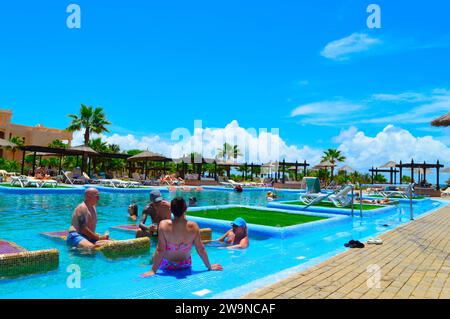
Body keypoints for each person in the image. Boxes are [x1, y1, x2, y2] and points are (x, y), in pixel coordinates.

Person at [141, 197, 223, 276]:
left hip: (167, 265)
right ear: (185, 209)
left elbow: (160, 250)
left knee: (154, 253)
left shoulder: (163, 224)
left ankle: (147, 264)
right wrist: (209, 266)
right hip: (185, 265)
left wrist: (153, 270)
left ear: (171, 210)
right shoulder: (193, 226)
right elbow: (200, 249)